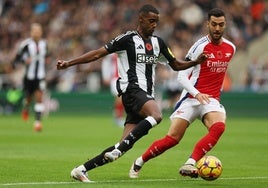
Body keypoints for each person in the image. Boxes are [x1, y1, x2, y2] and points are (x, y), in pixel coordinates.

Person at [57, 4, 206, 182]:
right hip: (132, 91)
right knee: (156, 115)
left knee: (121, 146)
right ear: (140, 19)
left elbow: (176, 65)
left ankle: (81, 170)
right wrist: (69, 63)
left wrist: (196, 61)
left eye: (157, 22)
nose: (154, 25)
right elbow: (97, 54)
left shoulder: (158, 43)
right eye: (151, 21)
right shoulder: (127, 39)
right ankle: (119, 149)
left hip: (144, 96)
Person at [128, 8, 236, 179]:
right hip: (191, 98)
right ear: (207, 24)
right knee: (173, 138)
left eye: (221, 25)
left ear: (225, 25)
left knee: (219, 127)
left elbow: (218, 75)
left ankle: (190, 162)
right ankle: (140, 161)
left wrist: (213, 93)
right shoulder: (200, 46)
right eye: (214, 24)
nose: (217, 28)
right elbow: (182, 75)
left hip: (211, 100)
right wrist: (197, 93)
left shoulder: (231, 48)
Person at [12, 23, 49, 131]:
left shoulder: (45, 44)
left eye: (39, 31)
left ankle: (37, 122)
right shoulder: (26, 45)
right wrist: (24, 60)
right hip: (29, 77)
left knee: (39, 97)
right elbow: (16, 59)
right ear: (31, 32)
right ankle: (26, 107)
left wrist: (46, 61)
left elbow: (47, 56)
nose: (37, 33)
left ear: (41, 32)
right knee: (28, 98)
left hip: (40, 76)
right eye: (35, 31)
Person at [101, 53, 124, 127]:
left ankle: (117, 116)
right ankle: (118, 118)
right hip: (115, 79)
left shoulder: (126, 51)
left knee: (123, 99)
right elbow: (105, 64)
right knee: (120, 98)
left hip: (125, 79)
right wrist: (106, 77)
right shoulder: (111, 54)